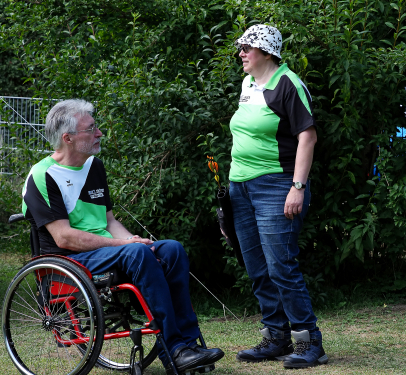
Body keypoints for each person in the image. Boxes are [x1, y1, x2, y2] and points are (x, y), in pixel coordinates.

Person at [22, 99, 224, 374]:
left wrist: (133, 239)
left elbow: (109, 221)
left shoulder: (95, 167)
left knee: (170, 250)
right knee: (136, 252)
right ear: (68, 138)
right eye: (91, 129)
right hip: (69, 261)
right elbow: (64, 238)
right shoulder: (42, 176)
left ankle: (190, 344)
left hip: (105, 252)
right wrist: (126, 245)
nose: (99, 133)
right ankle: (174, 350)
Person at [228, 25, 328, 369]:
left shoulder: (289, 85)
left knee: (280, 266)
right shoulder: (248, 84)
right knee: (257, 268)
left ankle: (308, 341)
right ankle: (275, 336)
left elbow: (308, 138)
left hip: (277, 186)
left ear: (268, 53)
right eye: (241, 47)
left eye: (247, 48)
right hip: (240, 186)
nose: (241, 53)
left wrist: (297, 187)